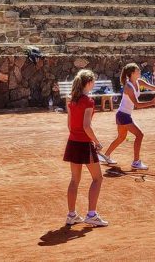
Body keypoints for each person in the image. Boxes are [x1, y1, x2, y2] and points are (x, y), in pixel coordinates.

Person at [63, 69, 108, 227]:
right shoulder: (88, 101)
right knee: (98, 178)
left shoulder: (71, 100)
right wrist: (96, 142)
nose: (94, 84)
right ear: (88, 83)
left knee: (74, 180)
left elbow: (69, 125)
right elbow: (87, 126)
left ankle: (71, 215)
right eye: (93, 81)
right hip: (84, 144)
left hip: (72, 142)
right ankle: (91, 215)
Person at [100, 63, 155, 170]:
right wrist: (152, 102)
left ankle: (106, 155)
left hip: (123, 115)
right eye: (138, 71)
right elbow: (137, 104)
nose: (140, 72)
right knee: (139, 135)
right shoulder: (128, 87)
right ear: (132, 73)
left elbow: (153, 87)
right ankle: (136, 162)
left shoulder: (139, 81)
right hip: (123, 115)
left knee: (121, 137)